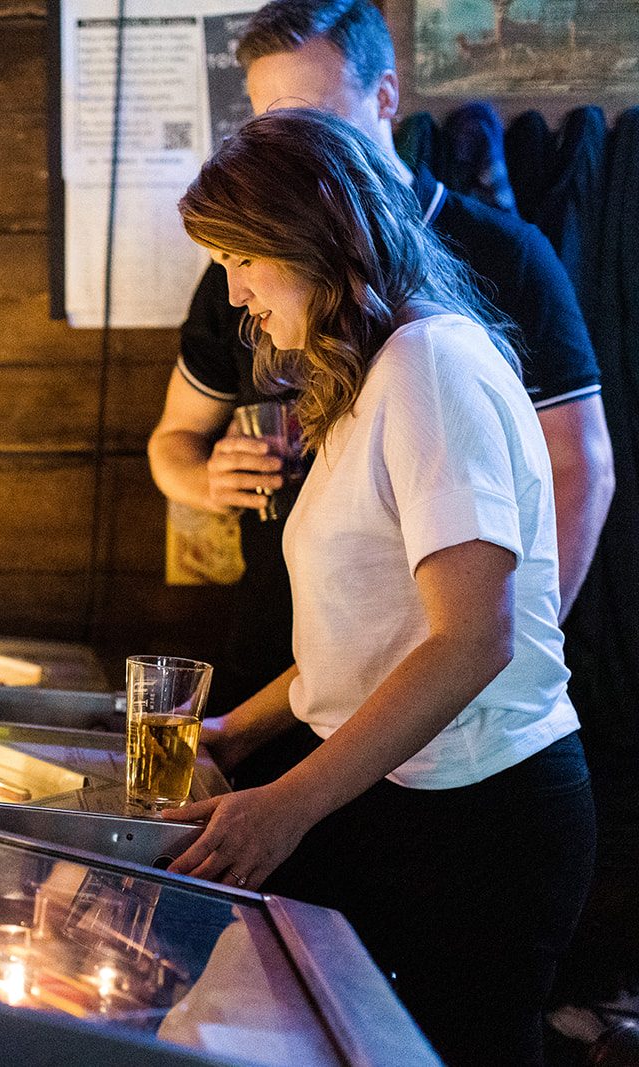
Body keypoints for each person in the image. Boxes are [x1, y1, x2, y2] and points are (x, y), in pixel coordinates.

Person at [162, 107, 594, 1067]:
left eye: (242, 258)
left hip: (487, 819)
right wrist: (241, 733)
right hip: (405, 801)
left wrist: (291, 803)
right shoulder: (367, 375)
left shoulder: (432, 363)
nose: (234, 294)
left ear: (313, 238)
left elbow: (469, 638)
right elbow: (364, 641)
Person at [147, 0, 614, 724]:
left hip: (433, 694)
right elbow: (172, 442)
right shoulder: (243, 279)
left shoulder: (471, 292)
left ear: (386, 97)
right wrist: (206, 479)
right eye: (270, 123)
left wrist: (501, 657)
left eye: (310, 116)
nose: (288, 143)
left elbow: (578, 467)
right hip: (285, 656)